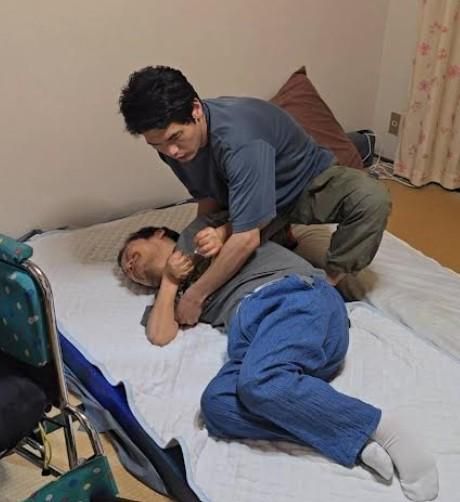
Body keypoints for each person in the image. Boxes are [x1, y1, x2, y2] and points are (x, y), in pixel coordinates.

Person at [117, 214, 438, 502]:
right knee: (216, 406)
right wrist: (170, 281)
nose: (130, 268)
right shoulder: (169, 296)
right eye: (128, 272)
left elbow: (253, 219)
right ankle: (356, 441)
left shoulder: (201, 236)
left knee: (259, 381)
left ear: (159, 234)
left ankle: (386, 429)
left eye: (132, 254)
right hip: (258, 342)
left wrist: (205, 252)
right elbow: (160, 334)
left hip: (293, 298)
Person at [118, 66, 392, 326]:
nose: (172, 151)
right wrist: (205, 242)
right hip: (249, 197)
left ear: (196, 109)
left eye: (175, 137)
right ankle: (278, 234)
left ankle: (330, 283)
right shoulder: (172, 148)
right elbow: (207, 195)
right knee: (217, 245)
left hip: (302, 184)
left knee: (371, 198)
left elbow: (246, 237)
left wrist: (195, 296)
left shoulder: (240, 140)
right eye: (158, 144)